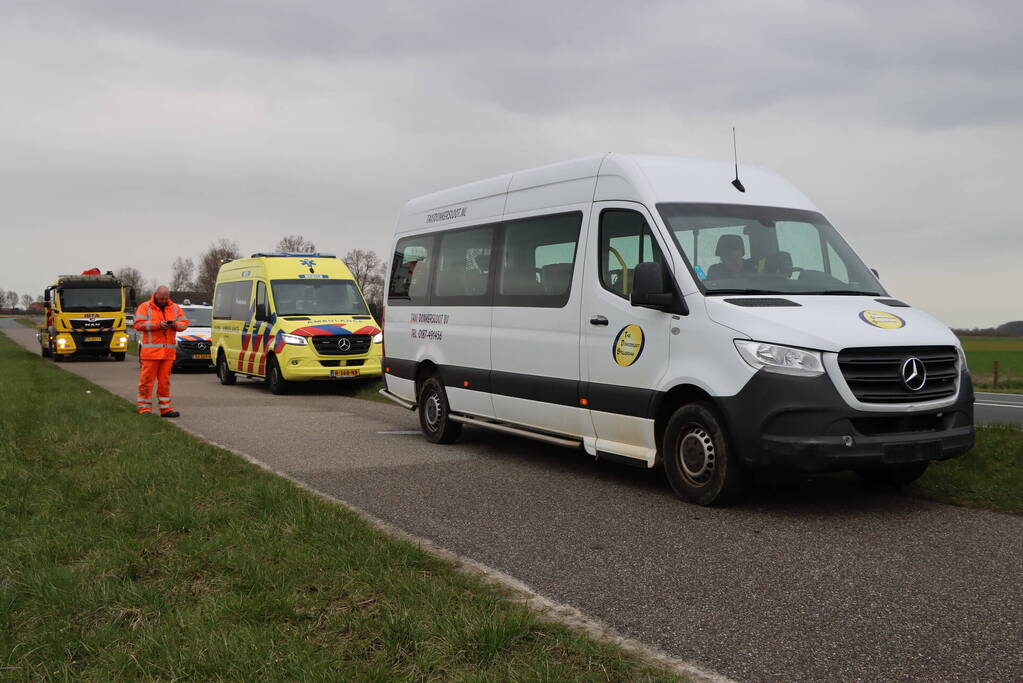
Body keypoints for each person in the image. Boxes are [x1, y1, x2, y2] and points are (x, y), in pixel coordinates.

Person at [134, 286, 189, 417]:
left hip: (167, 354)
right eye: (161, 298)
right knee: (147, 382)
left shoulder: (175, 308)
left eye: (166, 298)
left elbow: (185, 323)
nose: (164, 300)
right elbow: (138, 324)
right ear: (155, 295)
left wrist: (175, 325)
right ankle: (144, 409)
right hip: (150, 354)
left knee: (165, 383)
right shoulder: (145, 307)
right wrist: (158, 325)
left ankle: (166, 409)